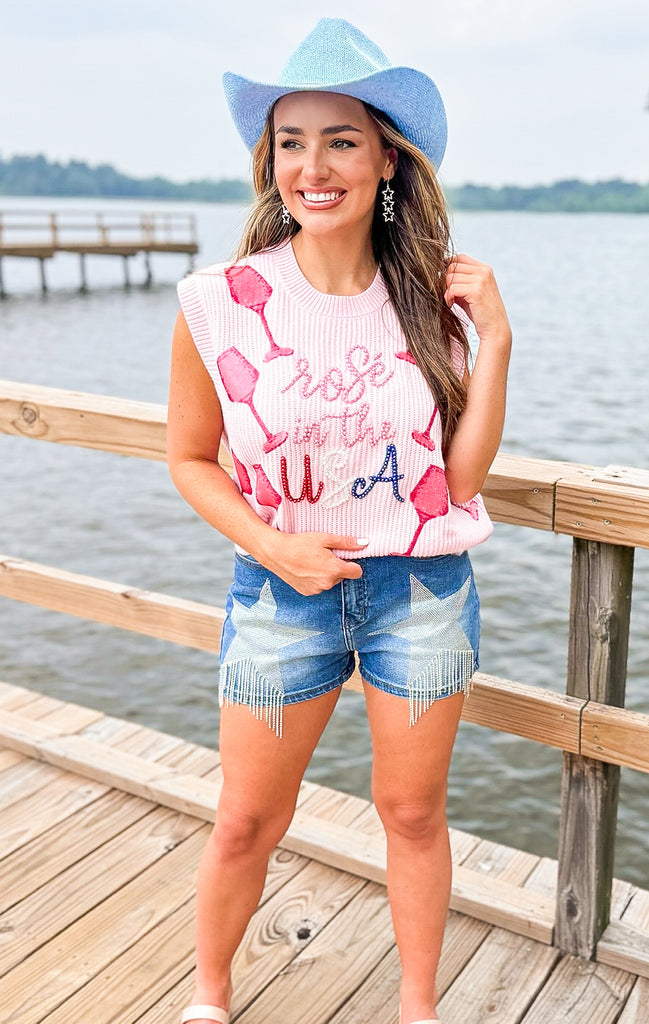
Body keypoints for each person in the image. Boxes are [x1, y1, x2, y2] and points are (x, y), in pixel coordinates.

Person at [167, 18, 511, 1024]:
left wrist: (492, 338)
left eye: (340, 140)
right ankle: (209, 996)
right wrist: (270, 542)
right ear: (268, 160)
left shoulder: (435, 301)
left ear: (386, 160)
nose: (311, 166)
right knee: (244, 821)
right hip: (280, 590)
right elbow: (189, 458)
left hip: (421, 590)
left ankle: (415, 1008)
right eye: (290, 141)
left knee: (410, 813)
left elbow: (459, 478)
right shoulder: (218, 301)